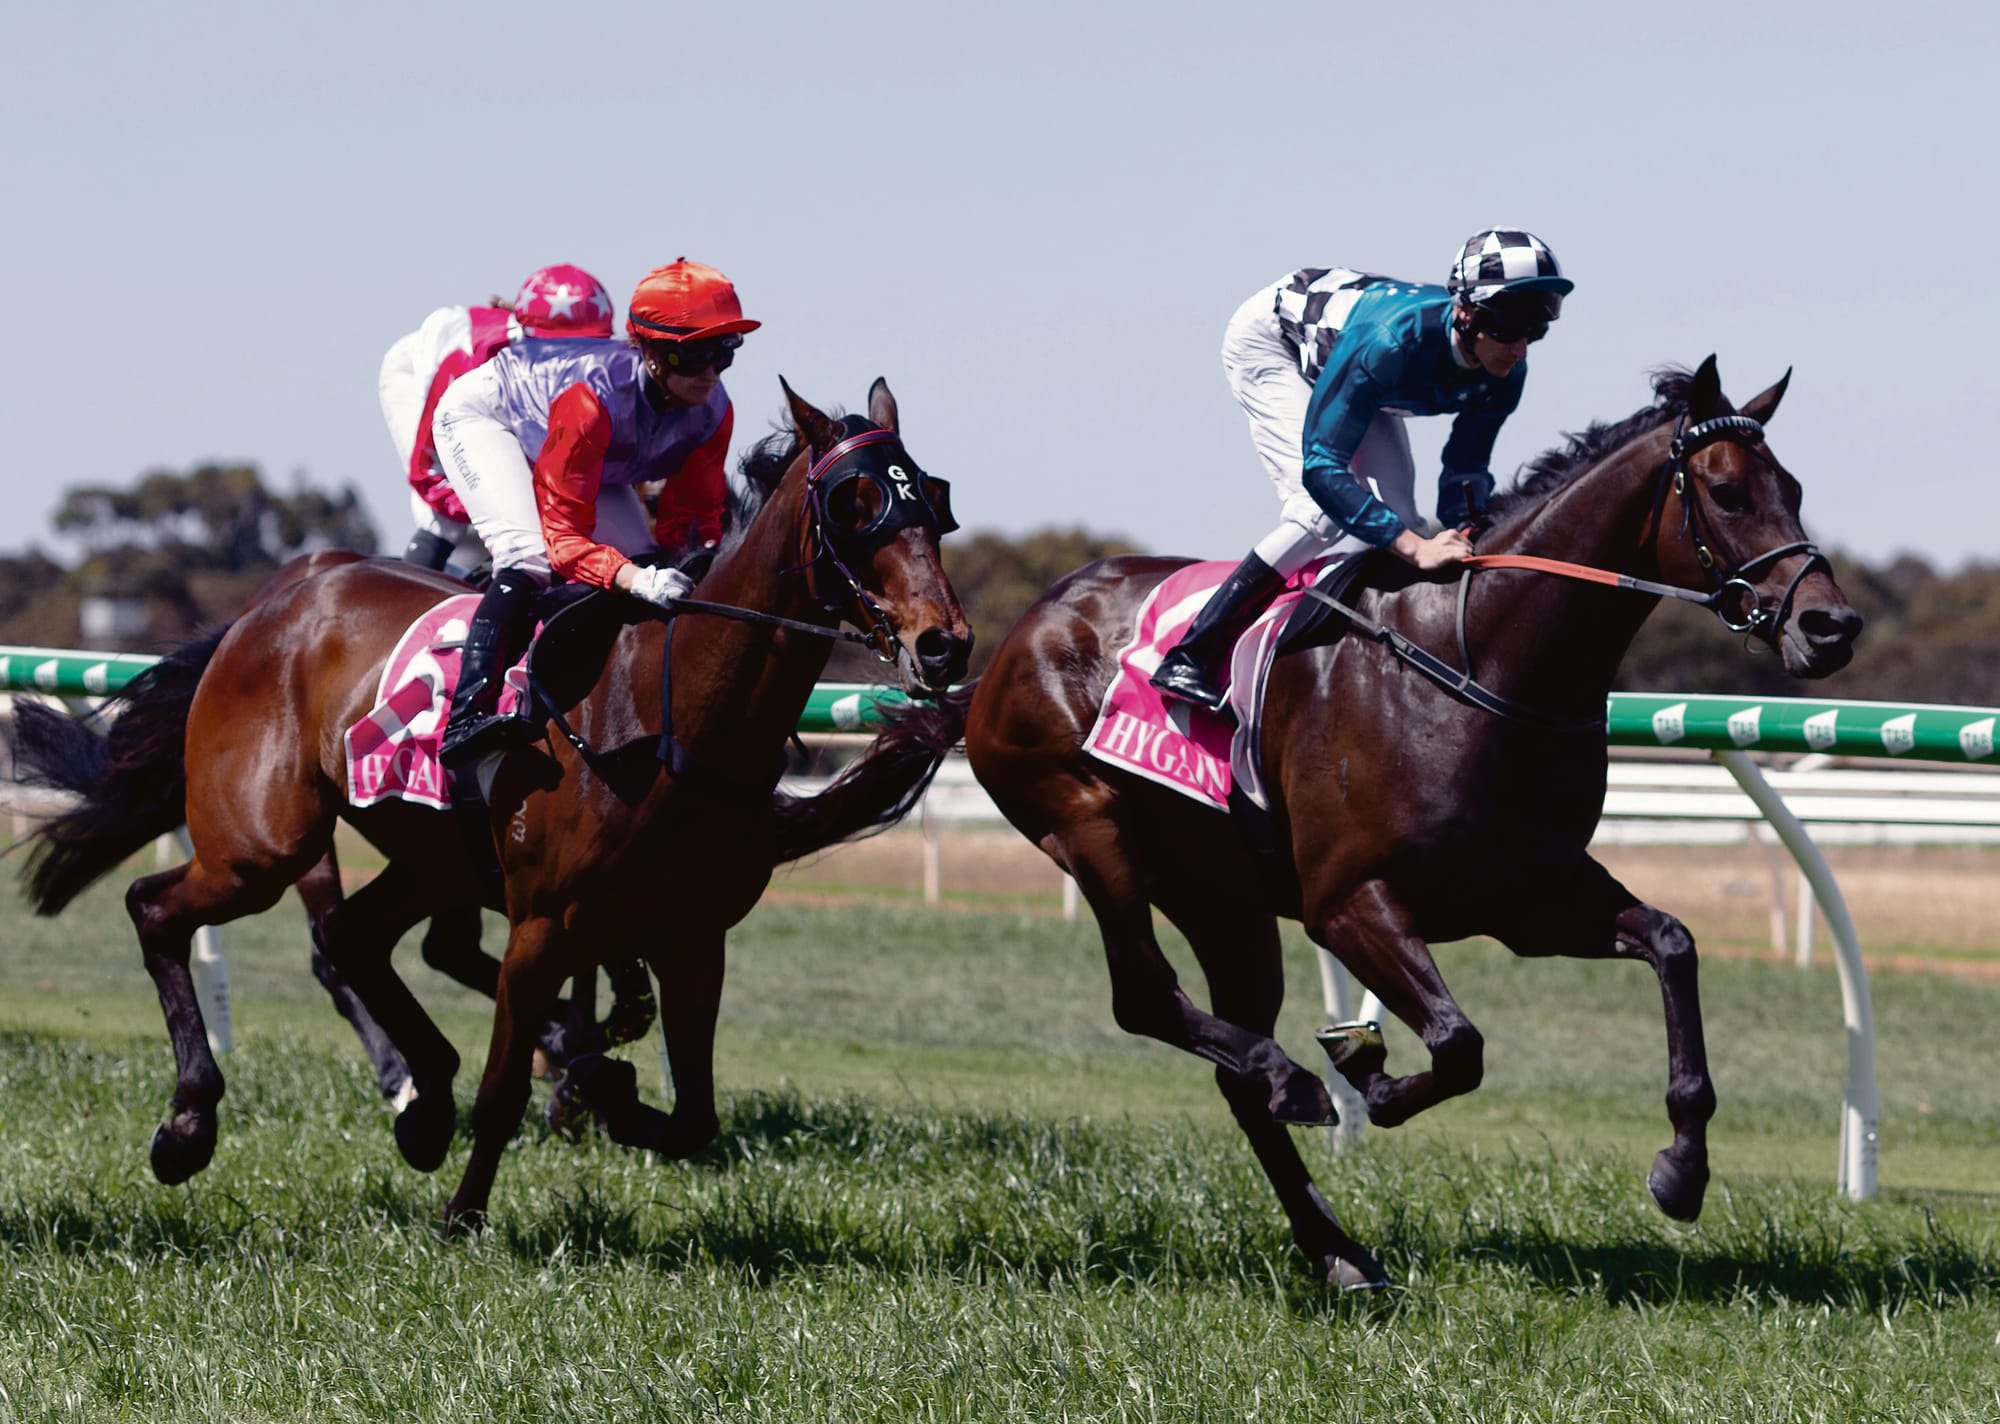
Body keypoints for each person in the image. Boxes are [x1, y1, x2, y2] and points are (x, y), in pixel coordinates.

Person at [1150, 229, 1574, 711]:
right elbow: (1322, 468)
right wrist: (1416, 549)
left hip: (1358, 367)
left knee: (1401, 521)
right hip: (1276, 343)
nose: (1521, 349)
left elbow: (1465, 469)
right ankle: (1193, 653)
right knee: (1321, 512)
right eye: (1509, 329)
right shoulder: (1391, 344)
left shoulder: (1505, 373)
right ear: (1466, 312)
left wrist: (1467, 532)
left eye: (1536, 330)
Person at [430, 257, 757, 767]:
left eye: (725, 354)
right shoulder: (592, 401)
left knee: (647, 558)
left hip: (583, 445)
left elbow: (689, 521)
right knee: (530, 556)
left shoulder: (714, 411)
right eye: (695, 357)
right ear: (651, 352)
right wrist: (629, 578)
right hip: (486, 415)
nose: (712, 374)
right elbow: (564, 541)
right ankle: (467, 715)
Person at [377, 265, 616, 574]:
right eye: (558, 351)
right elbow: (427, 474)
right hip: (418, 375)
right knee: (445, 522)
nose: (570, 362)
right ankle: (406, 608)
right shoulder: (472, 363)